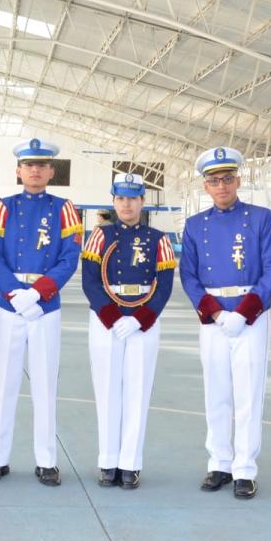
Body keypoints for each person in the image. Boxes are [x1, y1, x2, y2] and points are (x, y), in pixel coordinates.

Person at [0, 138, 82, 486]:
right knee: (4, 383)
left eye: (41, 165)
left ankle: (46, 461)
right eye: (29, 165)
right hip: (11, 305)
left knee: (45, 384)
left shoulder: (64, 208)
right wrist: (14, 293)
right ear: (18, 171)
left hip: (45, 306)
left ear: (52, 171)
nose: (35, 170)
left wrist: (38, 293)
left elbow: (70, 257)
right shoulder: (3, 207)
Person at [179, 146, 271, 500]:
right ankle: (219, 462)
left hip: (250, 315)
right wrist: (217, 313)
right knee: (216, 391)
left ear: (238, 180)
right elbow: (188, 274)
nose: (221, 186)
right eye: (214, 180)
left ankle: (245, 468)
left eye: (227, 179)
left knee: (248, 394)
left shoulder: (262, 218)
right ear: (205, 186)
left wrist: (245, 311)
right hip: (215, 319)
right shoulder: (195, 225)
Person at [81, 173, 175, 489]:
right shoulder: (100, 235)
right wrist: (109, 315)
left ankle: (130, 463)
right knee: (107, 390)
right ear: (113, 201)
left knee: (138, 390)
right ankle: (108, 461)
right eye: (120, 198)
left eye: (132, 198)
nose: (126, 204)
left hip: (143, 319)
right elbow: (89, 279)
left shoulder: (158, 239)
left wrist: (141, 318)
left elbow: (164, 285)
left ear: (142, 202)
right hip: (106, 318)